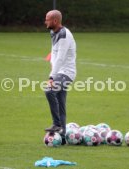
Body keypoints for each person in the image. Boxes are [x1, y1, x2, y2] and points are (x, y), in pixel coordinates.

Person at [44, 10, 76, 145]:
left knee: (49, 90)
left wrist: (52, 77)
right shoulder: (54, 32)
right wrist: (52, 57)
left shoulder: (63, 35)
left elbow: (61, 58)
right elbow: (55, 52)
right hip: (60, 72)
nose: (45, 22)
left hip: (66, 73)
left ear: (55, 21)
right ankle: (62, 138)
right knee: (61, 104)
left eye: (48, 19)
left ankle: (57, 124)